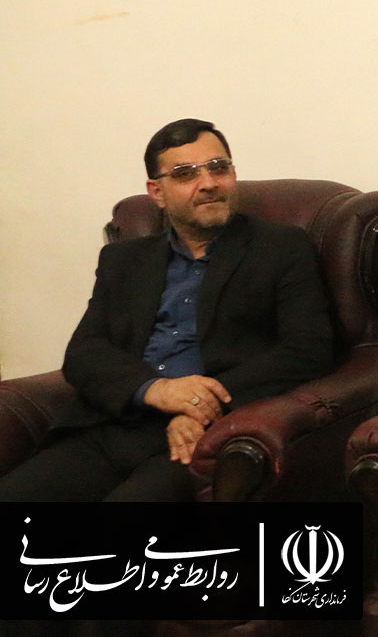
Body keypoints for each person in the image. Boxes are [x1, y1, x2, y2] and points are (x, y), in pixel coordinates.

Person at [0, 118, 334, 501]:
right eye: (185, 173)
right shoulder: (124, 260)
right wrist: (156, 390)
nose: (208, 182)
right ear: (157, 192)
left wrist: (198, 406)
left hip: (199, 437)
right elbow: (84, 353)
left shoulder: (281, 247)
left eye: (218, 167)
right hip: (112, 424)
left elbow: (307, 350)